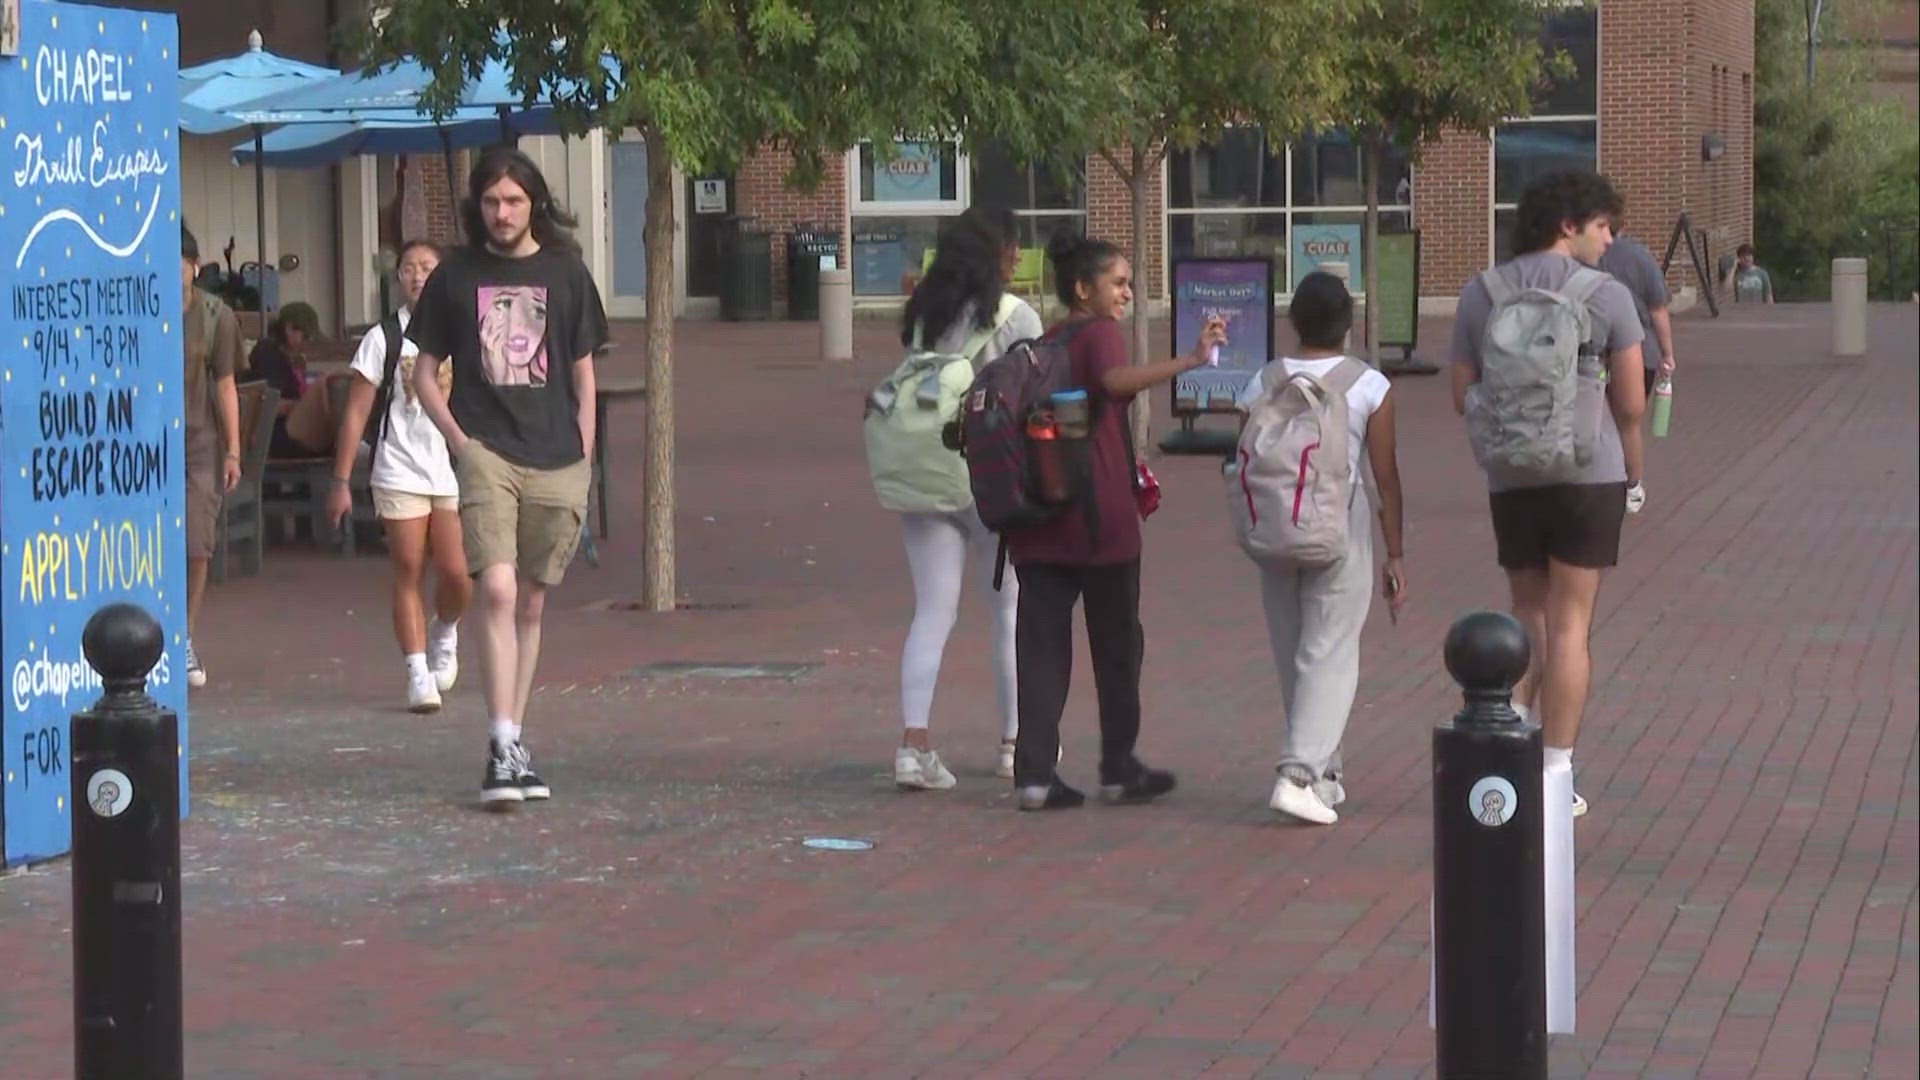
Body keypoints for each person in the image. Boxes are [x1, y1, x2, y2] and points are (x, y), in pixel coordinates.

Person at [407, 149, 608, 808]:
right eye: (492, 202)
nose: (502, 213)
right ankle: (499, 745)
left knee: (530, 601)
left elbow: (582, 371)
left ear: (534, 204)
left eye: (514, 201)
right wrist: (460, 442)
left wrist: (583, 447)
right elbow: (422, 371)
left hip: (556, 456)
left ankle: (515, 738)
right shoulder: (455, 276)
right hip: (486, 450)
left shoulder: (567, 274)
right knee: (493, 586)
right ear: (478, 207)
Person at [1451, 170, 1648, 818]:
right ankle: (1556, 772)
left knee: (1527, 618)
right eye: (1601, 226)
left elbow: (1462, 394)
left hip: (1513, 477)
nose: (1609, 240)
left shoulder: (1481, 294)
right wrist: (1635, 474)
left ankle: (1510, 750)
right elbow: (1630, 404)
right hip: (1588, 476)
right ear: (1568, 225)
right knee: (1571, 626)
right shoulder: (1608, 296)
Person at [1007, 233, 1226, 811]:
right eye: (1119, 282)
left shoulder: (1045, 341)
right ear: (1085, 289)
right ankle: (1118, 766)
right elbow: (1111, 383)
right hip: (1099, 521)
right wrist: (1190, 361)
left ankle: (1033, 775)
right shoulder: (1098, 332)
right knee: (1118, 646)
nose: (1127, 293)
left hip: (1038, 522)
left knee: (1042, 650)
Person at [1234, 272, 1405, 825]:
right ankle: (1298, 775)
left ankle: (1326, 774)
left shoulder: (1261, 382)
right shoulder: (1368, 386)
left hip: (1272, 528)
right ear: (1349, 325)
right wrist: (1395, 551)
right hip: (1339, 523)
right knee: (1330, 651)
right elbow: (1384, 477)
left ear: (1294, 323)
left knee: (1294, 652)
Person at [891, 207, 1044, 790]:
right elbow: (1037, 387)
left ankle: (914, 745)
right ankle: (1012, 743)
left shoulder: (924, 313)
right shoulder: (1015, 315)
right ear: (999, 251)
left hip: (926, 473)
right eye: (1013, 247)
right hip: (991, 476)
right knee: (1008, 610)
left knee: (932, 611)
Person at [327, 240, 470, 714]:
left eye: (427, 267)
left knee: (456, 573)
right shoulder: (383, 338)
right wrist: (341, 479)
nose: (417, 276)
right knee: (408, 566)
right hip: (399, 468)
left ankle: (444, 632)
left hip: (449, 470)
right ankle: (416, 672)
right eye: (408, 268)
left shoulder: (461, 333)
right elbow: (355, 413)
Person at [180, 226, 245, 689]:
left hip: (198, 441)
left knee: (196, 542)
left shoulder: (214, 315)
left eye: (177, 263)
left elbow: (226, 384)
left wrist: (234, 450)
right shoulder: (130, 305)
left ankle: (183, 635)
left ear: (194, 265)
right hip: (142, 440)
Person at [1598, 225, 1678, 398]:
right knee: (1629, 419)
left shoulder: (1576, 255)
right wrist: (1667, 354)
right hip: (1639, 351)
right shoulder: (1640, 256)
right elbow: (1658, 309)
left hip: (1593, 354)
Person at [248, 301, 322, 459]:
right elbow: (268, 405)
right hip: (269, 435)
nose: (307, 343)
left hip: (283, 431)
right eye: (306, 337)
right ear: (289, 329)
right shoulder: (269, 354)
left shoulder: (290, 359)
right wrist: (303, 405)